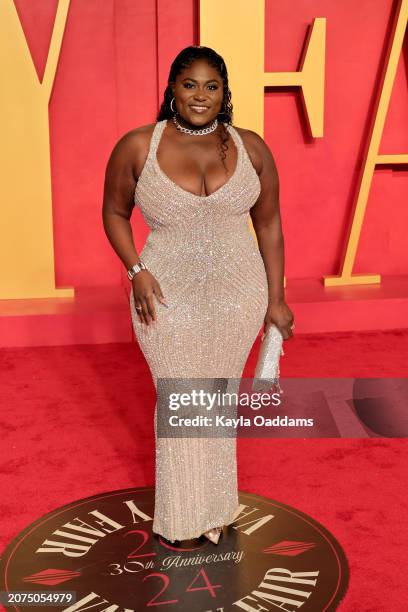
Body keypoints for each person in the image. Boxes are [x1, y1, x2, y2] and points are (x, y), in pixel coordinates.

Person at [102, 45, 294, 546]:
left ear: (225, 92)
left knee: (218, 400)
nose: (201, 96)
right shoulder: (138, 145)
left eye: (212, 86)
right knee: (182, 397)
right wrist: (136, 270)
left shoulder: (250, 147)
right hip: (164, 293)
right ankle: (184, 516)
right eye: (190, 85)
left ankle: (215, 511)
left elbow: (269, 224)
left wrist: (276, 299)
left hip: (238, 292)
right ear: (172, 89)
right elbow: (114, 213)